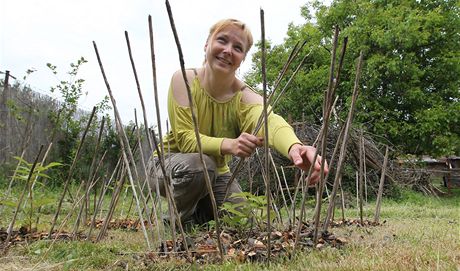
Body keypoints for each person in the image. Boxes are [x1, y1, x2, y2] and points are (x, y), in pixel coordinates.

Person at [151, 18, 328, 226]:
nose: (228, 50)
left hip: (216, 173)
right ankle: (179, 221)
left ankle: (200, 216)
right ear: (207, 43)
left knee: (243, 222)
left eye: (237, 47)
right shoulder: (184, 80)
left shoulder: (245, 96)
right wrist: (231, 144)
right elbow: (186, 140)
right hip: (169, 166)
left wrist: (295, 147)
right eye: (222, 40)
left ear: (242, 58)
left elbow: (270, 122)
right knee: (200, 166)